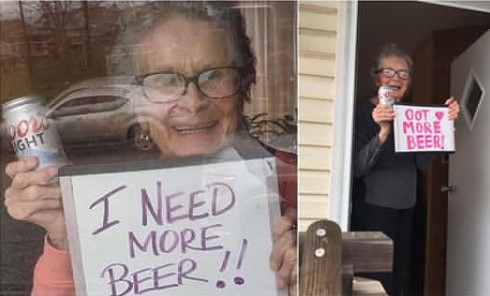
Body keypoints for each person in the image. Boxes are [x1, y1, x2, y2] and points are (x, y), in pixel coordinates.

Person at [3, 2, 296, 295]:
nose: (193, 103)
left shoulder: (299, 187)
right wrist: (68, 239)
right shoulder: (108, 205)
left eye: (213, 75)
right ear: (136, 101)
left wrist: (309, 269)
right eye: (166, 80)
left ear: (244, 84)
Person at [353, 43, 459, 295]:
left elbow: (421, 163)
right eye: (388, 71)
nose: (395, 79)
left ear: (409, 81)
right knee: (375, 277)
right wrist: (383, 133)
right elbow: (358, 168)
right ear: (375, 76)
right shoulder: (360, 112)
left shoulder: (411, 114)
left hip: (407, 205)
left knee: (401, 274)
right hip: (373, 207)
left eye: (403, 74)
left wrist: (444, 126)